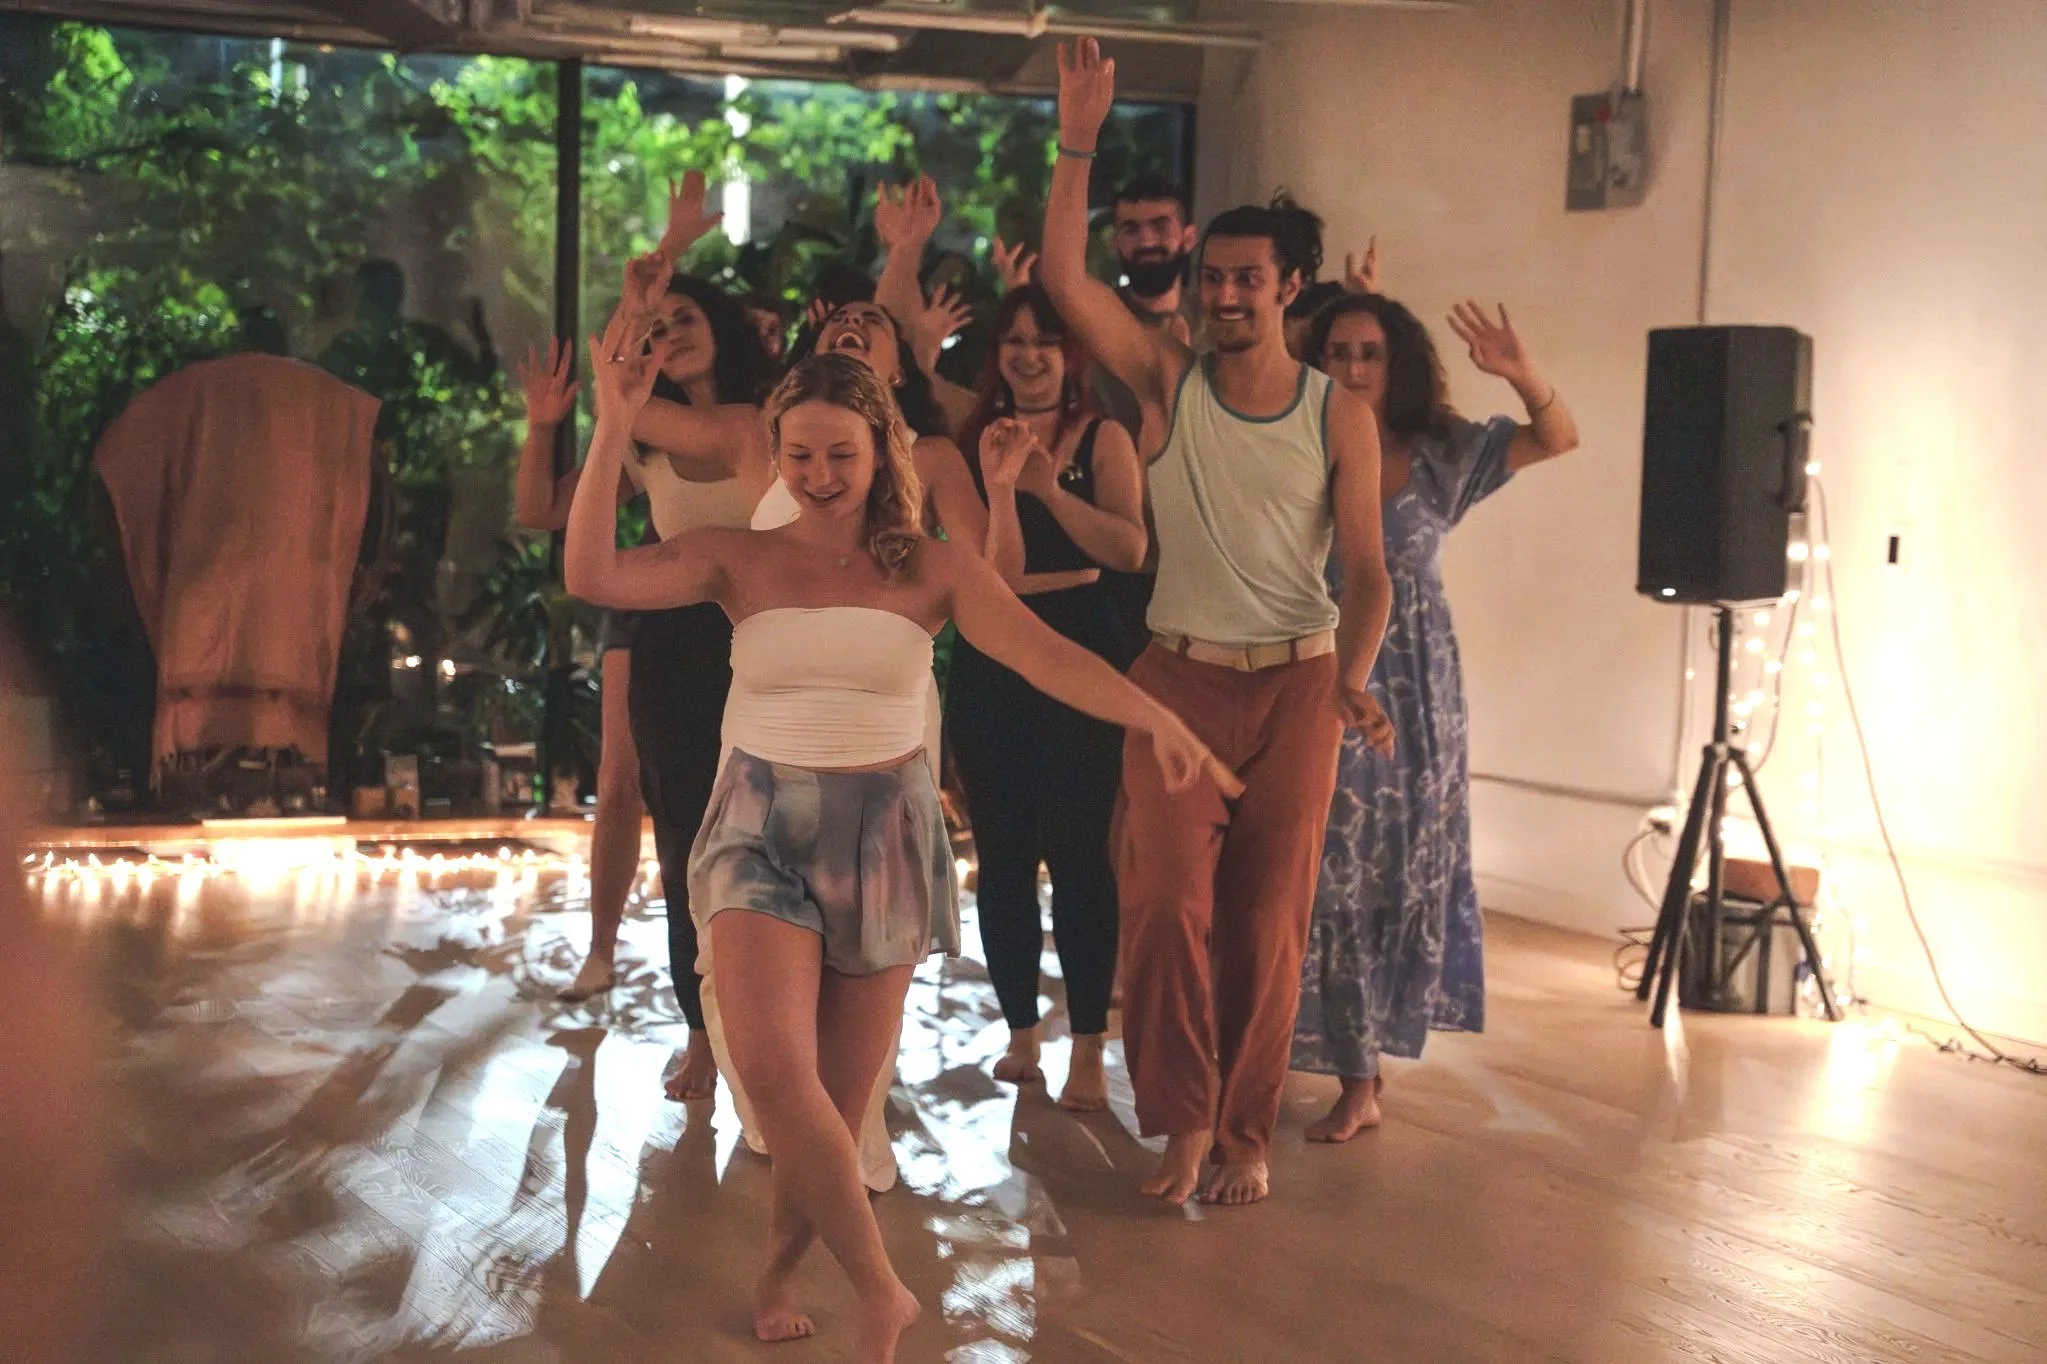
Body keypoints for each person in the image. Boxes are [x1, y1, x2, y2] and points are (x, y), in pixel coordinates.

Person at [565, 325, 1234, 1362]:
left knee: (834, 1109)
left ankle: (780, 1268)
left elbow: (1046, 655)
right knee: (776, 1076)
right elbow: (592, 572)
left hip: (884, 832)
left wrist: (1155, 718)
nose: (819, 474)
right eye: (798, 454)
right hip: (756, 826)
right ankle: (883, 1289)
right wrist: (611, 423)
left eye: (841, 452)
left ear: (882, 452)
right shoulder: (738, 555)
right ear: (776, 456)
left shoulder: (933, 568)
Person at [1041, 38, 1396, 1207]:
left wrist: (1351, 677)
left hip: (1297, 685)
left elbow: (1366, 569)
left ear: (1291, 287)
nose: (1226, 294)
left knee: (1263, 923)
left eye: (1250, 279)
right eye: (1214, 278)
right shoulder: (1166, 379)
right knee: (1159, 907)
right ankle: (1182, 1120)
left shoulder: (1336, 413)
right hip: (1177, 677)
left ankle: (1245, 1132)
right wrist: (1078, 140)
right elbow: (1064, 279)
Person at [1293, 292, 1580, 1140]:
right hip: (1324, 669)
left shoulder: (1440, 451)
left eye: (1370, 353)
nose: (1353, 368)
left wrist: (1520, 372)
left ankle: (1363, 1076)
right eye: (1339, 352)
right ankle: (1347, 1067)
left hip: (1418, 687)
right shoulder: (1299, 448)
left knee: (1399, 866)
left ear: (1399, 364)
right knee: (1327, 869)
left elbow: (1556, 437)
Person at [944, 286, 1146, 1109]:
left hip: (1080, 644)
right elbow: (994, 572)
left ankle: (1088, 1045)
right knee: (1001, 853)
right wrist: (1003, 489)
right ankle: (1022, 1032)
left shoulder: (1102, 437)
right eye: (1014, 341)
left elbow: (1129, 548)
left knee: (1078, 851)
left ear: (1071, 356)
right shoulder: (971, 441)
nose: (1028, 356)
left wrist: (1051, 490)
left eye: (1046, 342)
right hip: (993, 653)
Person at [510, 338, 652, 1004]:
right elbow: (540, 509)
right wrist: (543, 427)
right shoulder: (650, 440)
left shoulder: (762, 428)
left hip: (741, 612)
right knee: (618, 781)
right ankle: (601, 949)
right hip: (650, 604)